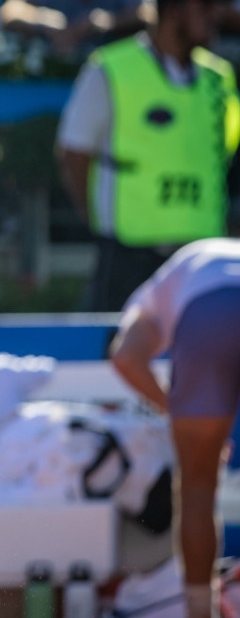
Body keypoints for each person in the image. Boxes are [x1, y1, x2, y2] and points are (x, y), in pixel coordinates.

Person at [56, 0, 240, 312]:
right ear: (174, 11)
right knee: (118, 351)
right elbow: (74, 151)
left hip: (199, 248)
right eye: (204, 7)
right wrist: (95, 213)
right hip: (129, 248)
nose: (215, 17)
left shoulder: (219, 77)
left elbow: (225, 148)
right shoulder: (111, 68)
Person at [110, 238, 240, 618]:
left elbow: (126, 358)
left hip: (207, 318)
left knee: (197, 488)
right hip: (206, 307)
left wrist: (179, 410)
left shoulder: (151, 299)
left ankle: (201, 611)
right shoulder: (200, 264)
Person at [0, 0, 154, 61]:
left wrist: (110, 21)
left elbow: (150, 14)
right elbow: (9, 12)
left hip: (115, 71)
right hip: (58, 76)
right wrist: (42, 19)